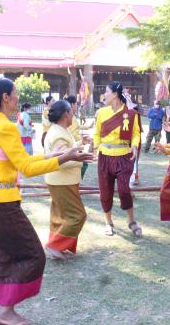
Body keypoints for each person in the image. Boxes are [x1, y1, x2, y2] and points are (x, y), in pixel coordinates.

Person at [0, 77, 92, 325]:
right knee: (34, 256)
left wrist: (57, 155)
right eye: (14, 94)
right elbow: (25, 166)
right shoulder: (5, 126)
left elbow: (20, 159)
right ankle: (6, 311)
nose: (17, 98)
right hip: (2, 204)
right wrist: (63, 158)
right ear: (5, 97)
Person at [93, 81, 142, 237]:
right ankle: (108, 222)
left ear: (115, 94)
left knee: (124, 190)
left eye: (106, 92)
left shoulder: (131, 114)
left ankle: (132, 221)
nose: (104, 95)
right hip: (104, 157)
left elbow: (136, 133)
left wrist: (134, 144)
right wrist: (95, 147)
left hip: (123, 157)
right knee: (105, 191)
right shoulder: (101, 113)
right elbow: (96, 133)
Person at [44, 100, 91, 260]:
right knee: (77, 215)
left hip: (60, 181)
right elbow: (62, 160)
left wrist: (80, 144)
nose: (73, 114)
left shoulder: (59, 130)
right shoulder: (58, 133)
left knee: (59, 216)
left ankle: (56, 246)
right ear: (66, 114)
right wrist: (82, 158)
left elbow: (66, 151)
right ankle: (55, 245)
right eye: (71, 112)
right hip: (62, 181)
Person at [65, 95, 93, 179]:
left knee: (81, 164)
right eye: (76, 104)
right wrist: (82, 139)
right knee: (81, 164)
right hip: (74, 146)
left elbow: (76, 127)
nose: (77, 106)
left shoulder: (72, 116)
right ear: (72, 104)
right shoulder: (70, 116)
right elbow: (72, 133)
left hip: (76, 145)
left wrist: (88, 127)